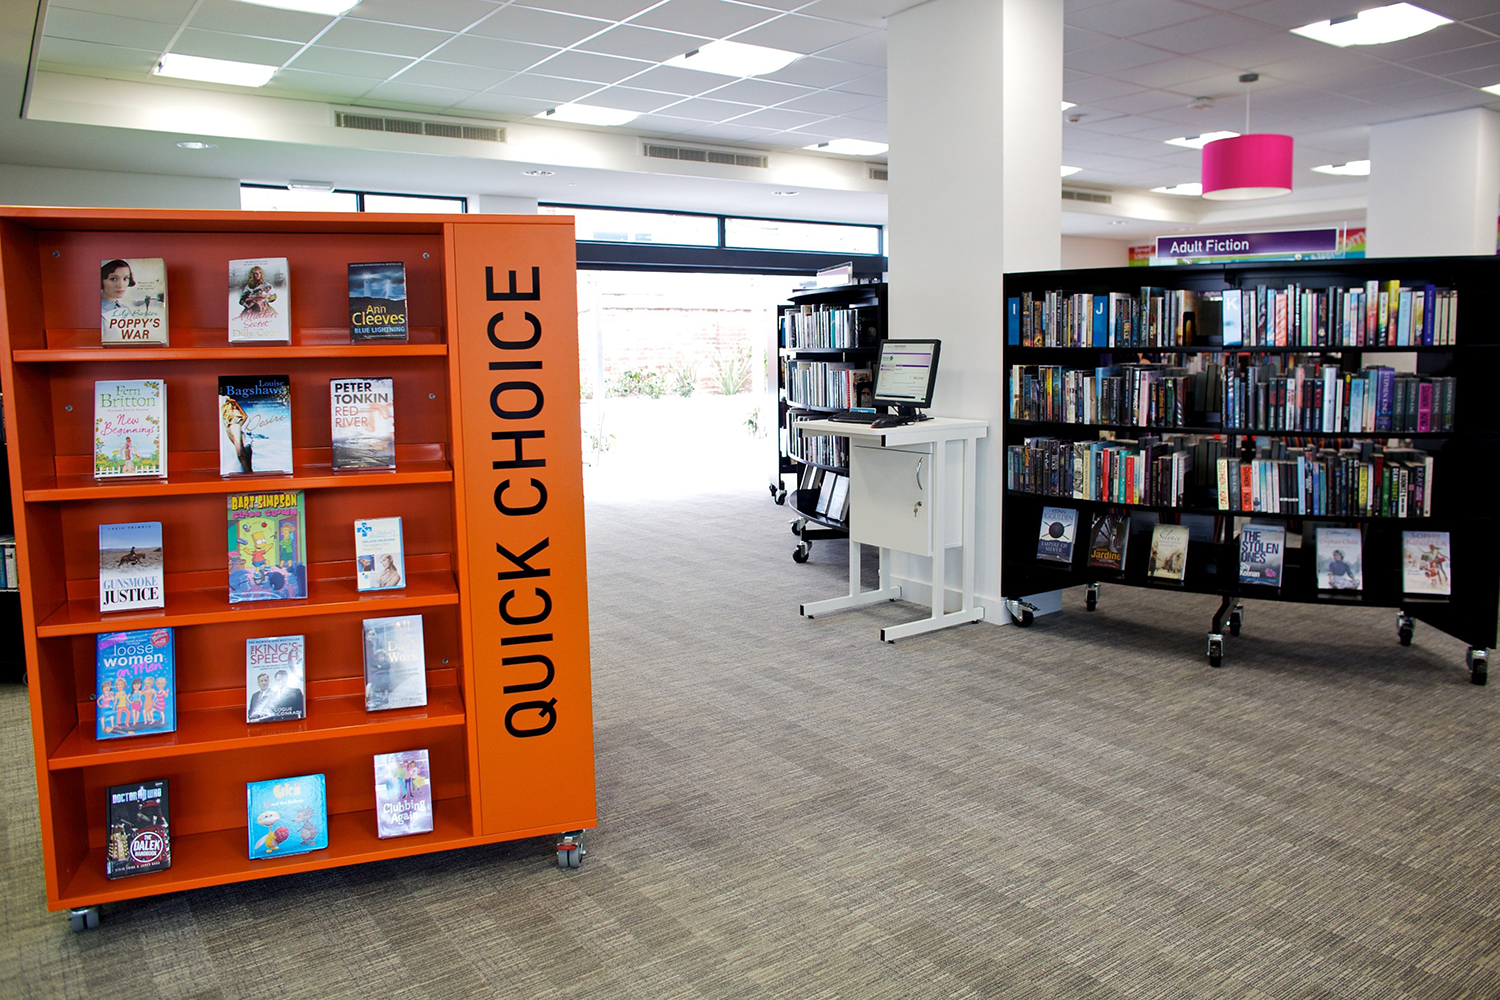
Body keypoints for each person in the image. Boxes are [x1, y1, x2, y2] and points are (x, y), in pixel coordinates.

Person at [221, 397, 253, 473]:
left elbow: (245, 417)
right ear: (230, 412)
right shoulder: (235, 427)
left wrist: (235, 403)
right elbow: (240, 453)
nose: (238, 409)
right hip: (245, 461)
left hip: (246, 460)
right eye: (235, 408)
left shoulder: (232, 426)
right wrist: (248, 472)